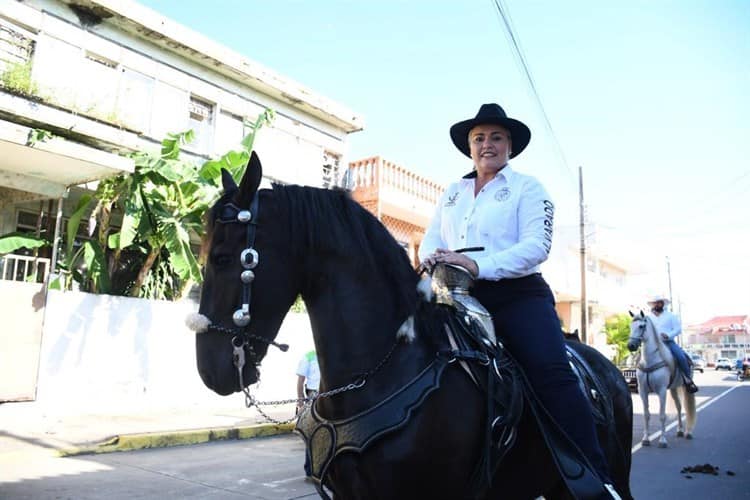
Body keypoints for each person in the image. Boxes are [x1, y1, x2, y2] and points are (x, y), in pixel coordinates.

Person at [418, 103, 619, 499]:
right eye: (479, 138)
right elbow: (432, 236)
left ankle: (596, 479)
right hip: (454, 296)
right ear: (469, 147)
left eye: (496, 137)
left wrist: (476, 265)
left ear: (510, 145)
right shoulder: (453, 193)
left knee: (551, 373)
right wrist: (430, 258)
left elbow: (535, 247)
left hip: (517, 295)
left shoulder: (529, 188)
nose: (487, 145)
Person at [646, 294, 698, 394]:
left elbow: (678, 329)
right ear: (653, 304)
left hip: (668, 342)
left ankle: (688, 381)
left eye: (659, 302)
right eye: (655, 303)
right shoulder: (648, 317)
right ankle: (642, 381)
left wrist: (668, 335)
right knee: (639, 359)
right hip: (652, 344)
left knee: (681, 357)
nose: (657, 304)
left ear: (663, 304)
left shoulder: (671, 316)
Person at [296, 349, 319, 478]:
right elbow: (300, 380)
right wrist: (300, 403)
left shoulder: (332, 351)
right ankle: (310, 469)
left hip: (331, 394)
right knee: (312, 432)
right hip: (313, 394)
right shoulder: (309, 356)